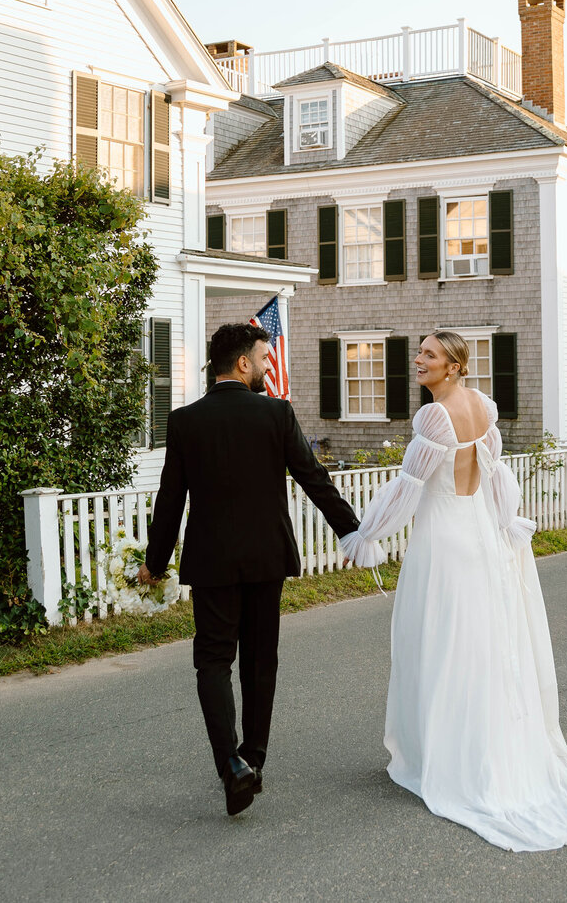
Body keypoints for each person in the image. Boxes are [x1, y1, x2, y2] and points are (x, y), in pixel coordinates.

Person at [339, 330, 567, 851]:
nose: (418, 360)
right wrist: (508, 523)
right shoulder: (484, 408)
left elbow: (408, 489)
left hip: (444, 541)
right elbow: (496, 478)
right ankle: (485, 748)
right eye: (420, 352)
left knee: (440, 644)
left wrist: (365, 535)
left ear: (453, 366)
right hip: (480, 534)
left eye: (429, 355)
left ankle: (447, 760)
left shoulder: (434, 417)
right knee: (483, 647)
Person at [141, 322, 361, 816]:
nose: (266, 366)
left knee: (214, 661)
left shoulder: (184, 422)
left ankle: (230, 767)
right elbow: (314, 478)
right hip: (266, 558)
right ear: (242, 363)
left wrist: (155, 563)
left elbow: (170, 501)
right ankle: (253, 761)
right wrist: (351, 531)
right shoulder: (276, 414)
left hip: (212, 561)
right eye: (263, 357)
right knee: (261, 660)